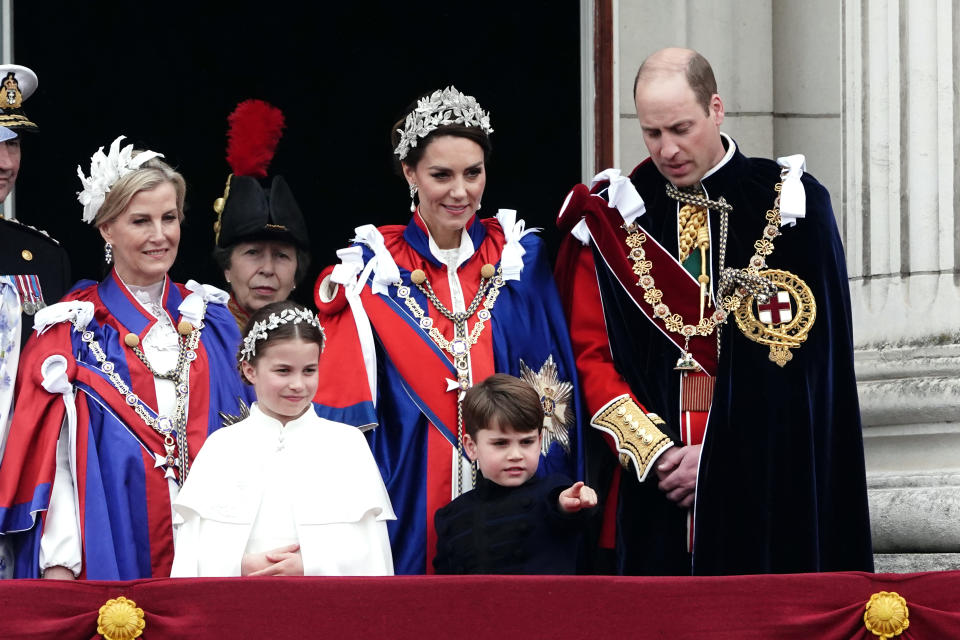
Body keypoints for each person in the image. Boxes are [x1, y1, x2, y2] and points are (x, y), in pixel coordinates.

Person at [555, 47, 873, 575]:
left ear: (716, 109)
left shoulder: (791, 205)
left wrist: (719, 456)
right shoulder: (613, 219)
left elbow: (809, 366)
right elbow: (591, 355)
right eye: (653, 133)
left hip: (765, 477)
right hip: (653, 488)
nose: (668, 150)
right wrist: (655, 452)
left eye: (682, 128)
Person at [313, 86, 586, 574]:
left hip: (516, 509)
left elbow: (554, 393)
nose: (460, 192)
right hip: (409, 492)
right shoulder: (373, 271)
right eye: (441, 175)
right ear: (409, 173)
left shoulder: (519, 259)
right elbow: (344, 414)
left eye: (473, 173)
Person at [0, 136, 252, 579]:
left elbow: (250, 442)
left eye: (169, 218)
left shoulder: (215, 323)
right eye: (141, 221)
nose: (160, 236)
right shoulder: (71, 333)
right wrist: (61, 564)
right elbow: (55, 464)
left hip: (218, 556)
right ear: (106, 228)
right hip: (112, 548)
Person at [171, 300, 395, 577]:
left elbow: (372, 551)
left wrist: (311, 565)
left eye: (309, 370)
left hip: (325, 607)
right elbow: (192, 550)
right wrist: (238, 565)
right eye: (283, 371)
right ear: (250, 370)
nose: (298, 384)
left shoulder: (348, 444)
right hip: (237, 606)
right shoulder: (221, 446)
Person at [433, 374, 597, 574]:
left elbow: (562, 506)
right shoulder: (451, 517)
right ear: (471, 447)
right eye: (500, 443)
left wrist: (569, 504)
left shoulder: (551, 494)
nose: (515, 455)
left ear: (539, 440)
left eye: (526, 442)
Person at [211, 100, 311, 330]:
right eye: (252, 252)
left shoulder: (318, 341)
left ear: (296, 274)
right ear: (227, 268)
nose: (267, 268)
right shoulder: (198, 340)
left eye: (282, 256)